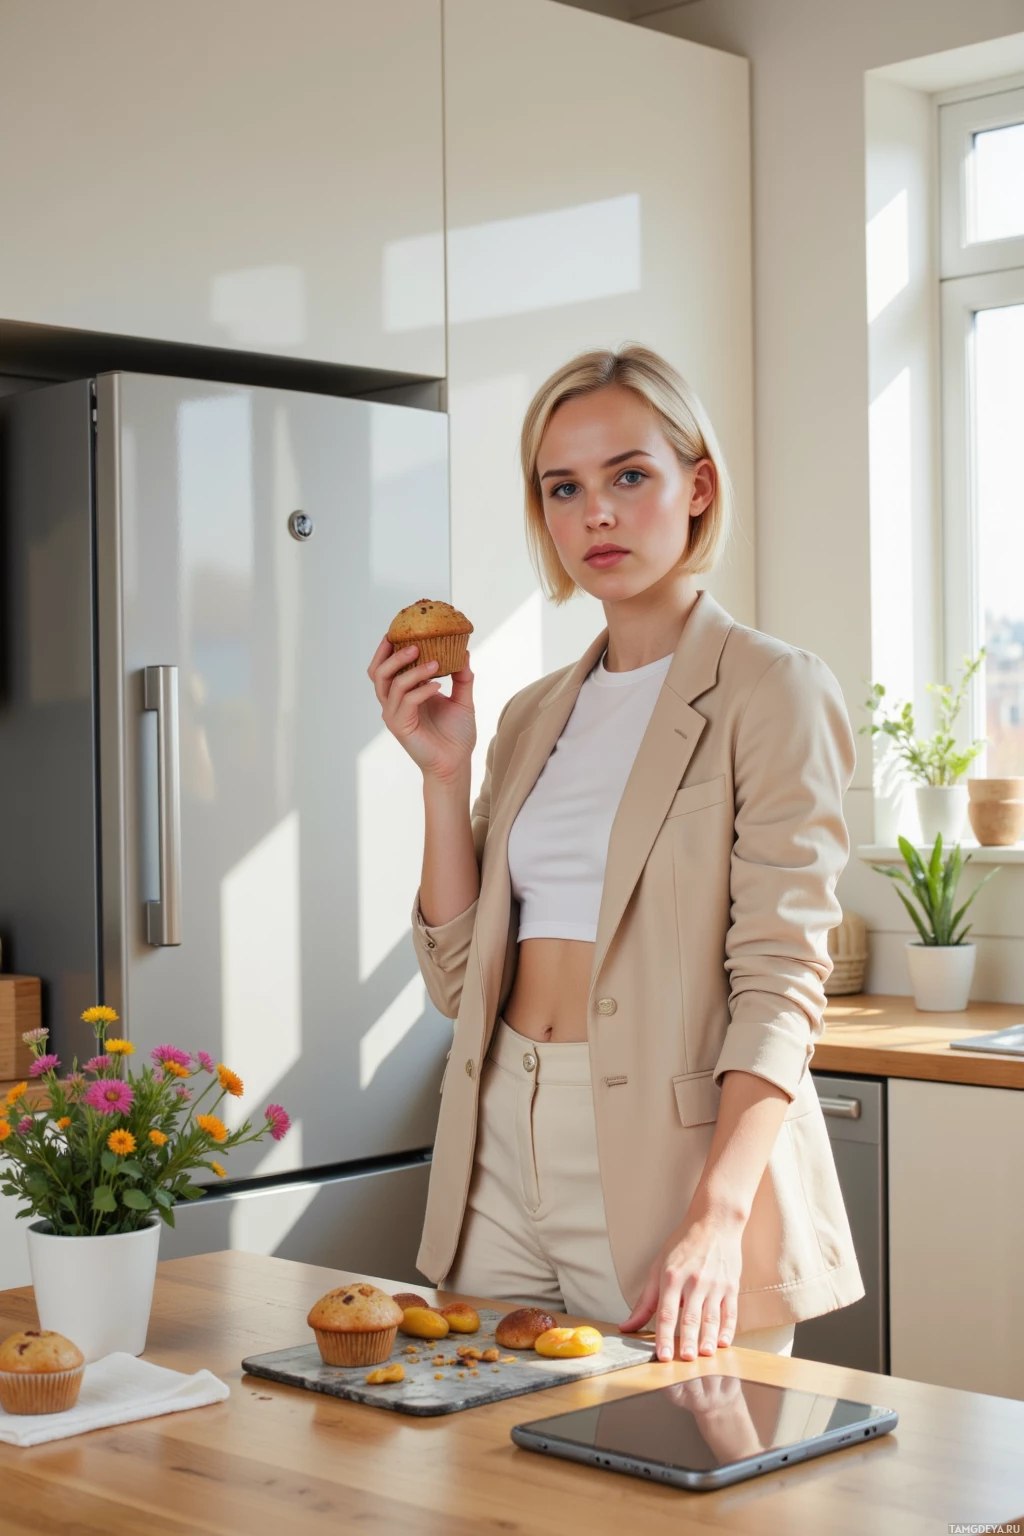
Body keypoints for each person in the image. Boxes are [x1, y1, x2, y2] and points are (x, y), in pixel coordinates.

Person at [367, 344, 864, 1364]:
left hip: (673, 1164)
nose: (595, 512)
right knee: (492, 1490)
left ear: (697, 486)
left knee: (691, 1498)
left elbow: (780, 981)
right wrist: (442, 776)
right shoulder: (526, 716)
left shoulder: (772, 690)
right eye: (565, 487)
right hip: (499, 1147)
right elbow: (460, 983)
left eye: (628, 475)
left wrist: (720, 1216)